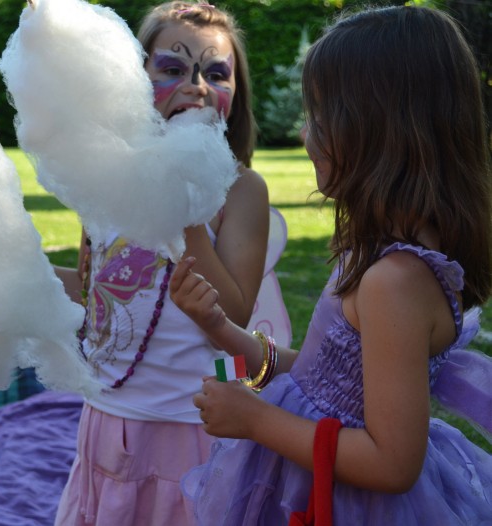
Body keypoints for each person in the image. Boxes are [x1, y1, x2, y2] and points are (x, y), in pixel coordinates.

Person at [170, 5, 492, 525]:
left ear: (382, 127)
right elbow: (321, 377)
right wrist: (220, 327)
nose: (306, 134)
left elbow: (392, 464)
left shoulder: (397, 280)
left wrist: (256, 421)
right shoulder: (377, 254)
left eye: (321, 115)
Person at [54, 2, 272, 524]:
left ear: (235, 94)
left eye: (217, 73)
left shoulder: (241, 192)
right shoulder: (102, 185)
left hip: (187, 432)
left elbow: (236, 317)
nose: (197, 85)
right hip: (103, 424)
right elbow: (94, 294)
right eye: (172, 69)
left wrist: (183, 208)